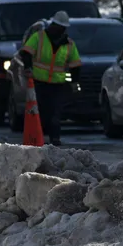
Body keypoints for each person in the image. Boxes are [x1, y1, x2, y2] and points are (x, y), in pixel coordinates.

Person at [18, 11, 81, 146]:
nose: (61, 30)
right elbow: (26, 53)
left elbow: (75, 65)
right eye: (60, 27)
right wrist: (28, 67)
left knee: (55, 113)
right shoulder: (39, 37)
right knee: (39, 112)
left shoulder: (68, 44)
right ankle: (37, 138)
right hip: (39, 83)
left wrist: (75, 82)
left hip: (57, 85)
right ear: (54, 25)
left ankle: (54, 139)